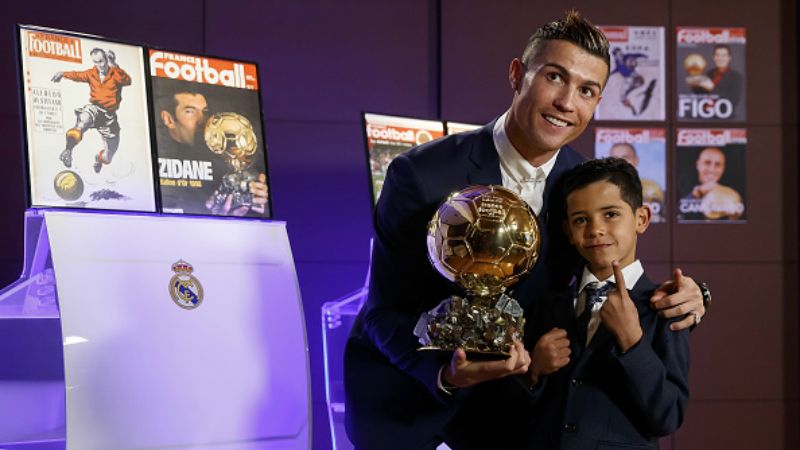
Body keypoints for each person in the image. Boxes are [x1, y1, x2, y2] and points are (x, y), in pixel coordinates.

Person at [344, 11, 707, 450]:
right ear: (518, 74)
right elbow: (384, 311)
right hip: (409, 406)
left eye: (587, 90)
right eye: (555, 77)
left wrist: (693, 295)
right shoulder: (420, 175)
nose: (566, 102)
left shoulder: (582, 187)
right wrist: (444, 373)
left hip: (513, 420)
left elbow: (610, 264)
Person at [526, 157, 689, 449]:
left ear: (641, 219)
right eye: (580, 219)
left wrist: (632, 341)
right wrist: (534, 372)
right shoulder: (549, 306)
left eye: (610, 214)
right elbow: (520, 413)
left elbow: (668, 416)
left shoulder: (667, 307)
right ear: (568, 231)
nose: (595, 229)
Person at [156, 88, 269, 216]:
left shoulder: (224, 157)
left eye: (204, 111)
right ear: (168, 119)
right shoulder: (157, 165)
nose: (203, 121)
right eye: (190, 111)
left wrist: (261, 201)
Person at [52, 48, 131, 173]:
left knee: (108, 157)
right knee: (83, 120)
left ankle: (99, 159)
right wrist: (62, 73)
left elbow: (127, 81)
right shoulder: (91, 73)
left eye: (102, 61)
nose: (100, 65)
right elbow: (77, 75)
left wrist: (114, 64)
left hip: (109, 118)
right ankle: (68, 150)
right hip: (95, 109)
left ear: (106, 59)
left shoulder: (115, 73)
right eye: (96, 62)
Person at [678, 146, 743, 220]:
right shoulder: (682, 185)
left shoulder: (732, 193)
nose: (712, 169)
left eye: (718, 165)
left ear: (723, 168)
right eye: (707, 163)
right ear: (698, 165)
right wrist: (696, 194)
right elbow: (674, 216)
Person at [609, 143, 664, 222]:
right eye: (615, 158)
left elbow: (659, 218)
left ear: (636, 160)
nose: (620, 163)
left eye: (626, 157)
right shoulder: (601, 189)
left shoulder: (653, 188)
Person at [687, 44, 743, 113]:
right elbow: (703, 94)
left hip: (724, 116)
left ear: (729, 58)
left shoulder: (737, 77)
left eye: (724, 55)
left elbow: (733, 100)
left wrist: (712, 88)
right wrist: (695, 84)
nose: (720, 58)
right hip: (705, 114)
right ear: (714, 57)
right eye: (717, 55)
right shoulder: (710, 73)